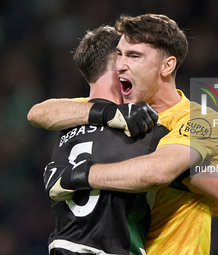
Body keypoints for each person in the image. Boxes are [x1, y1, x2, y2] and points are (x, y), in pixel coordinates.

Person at [28, 14, 218, 254]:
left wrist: (76, 175)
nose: (121, 65)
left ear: (167, 66)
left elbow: (160, 172)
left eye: (134, 56)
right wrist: (105, 113)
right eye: (119, 55)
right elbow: (40, 112)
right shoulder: (119, 112)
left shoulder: (197, 119)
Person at [38, 25, 171, 255]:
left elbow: (36, 113)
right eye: (127, 56)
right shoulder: (144, 131)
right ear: (116, 66)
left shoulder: (67, 121)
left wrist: (75, 176)